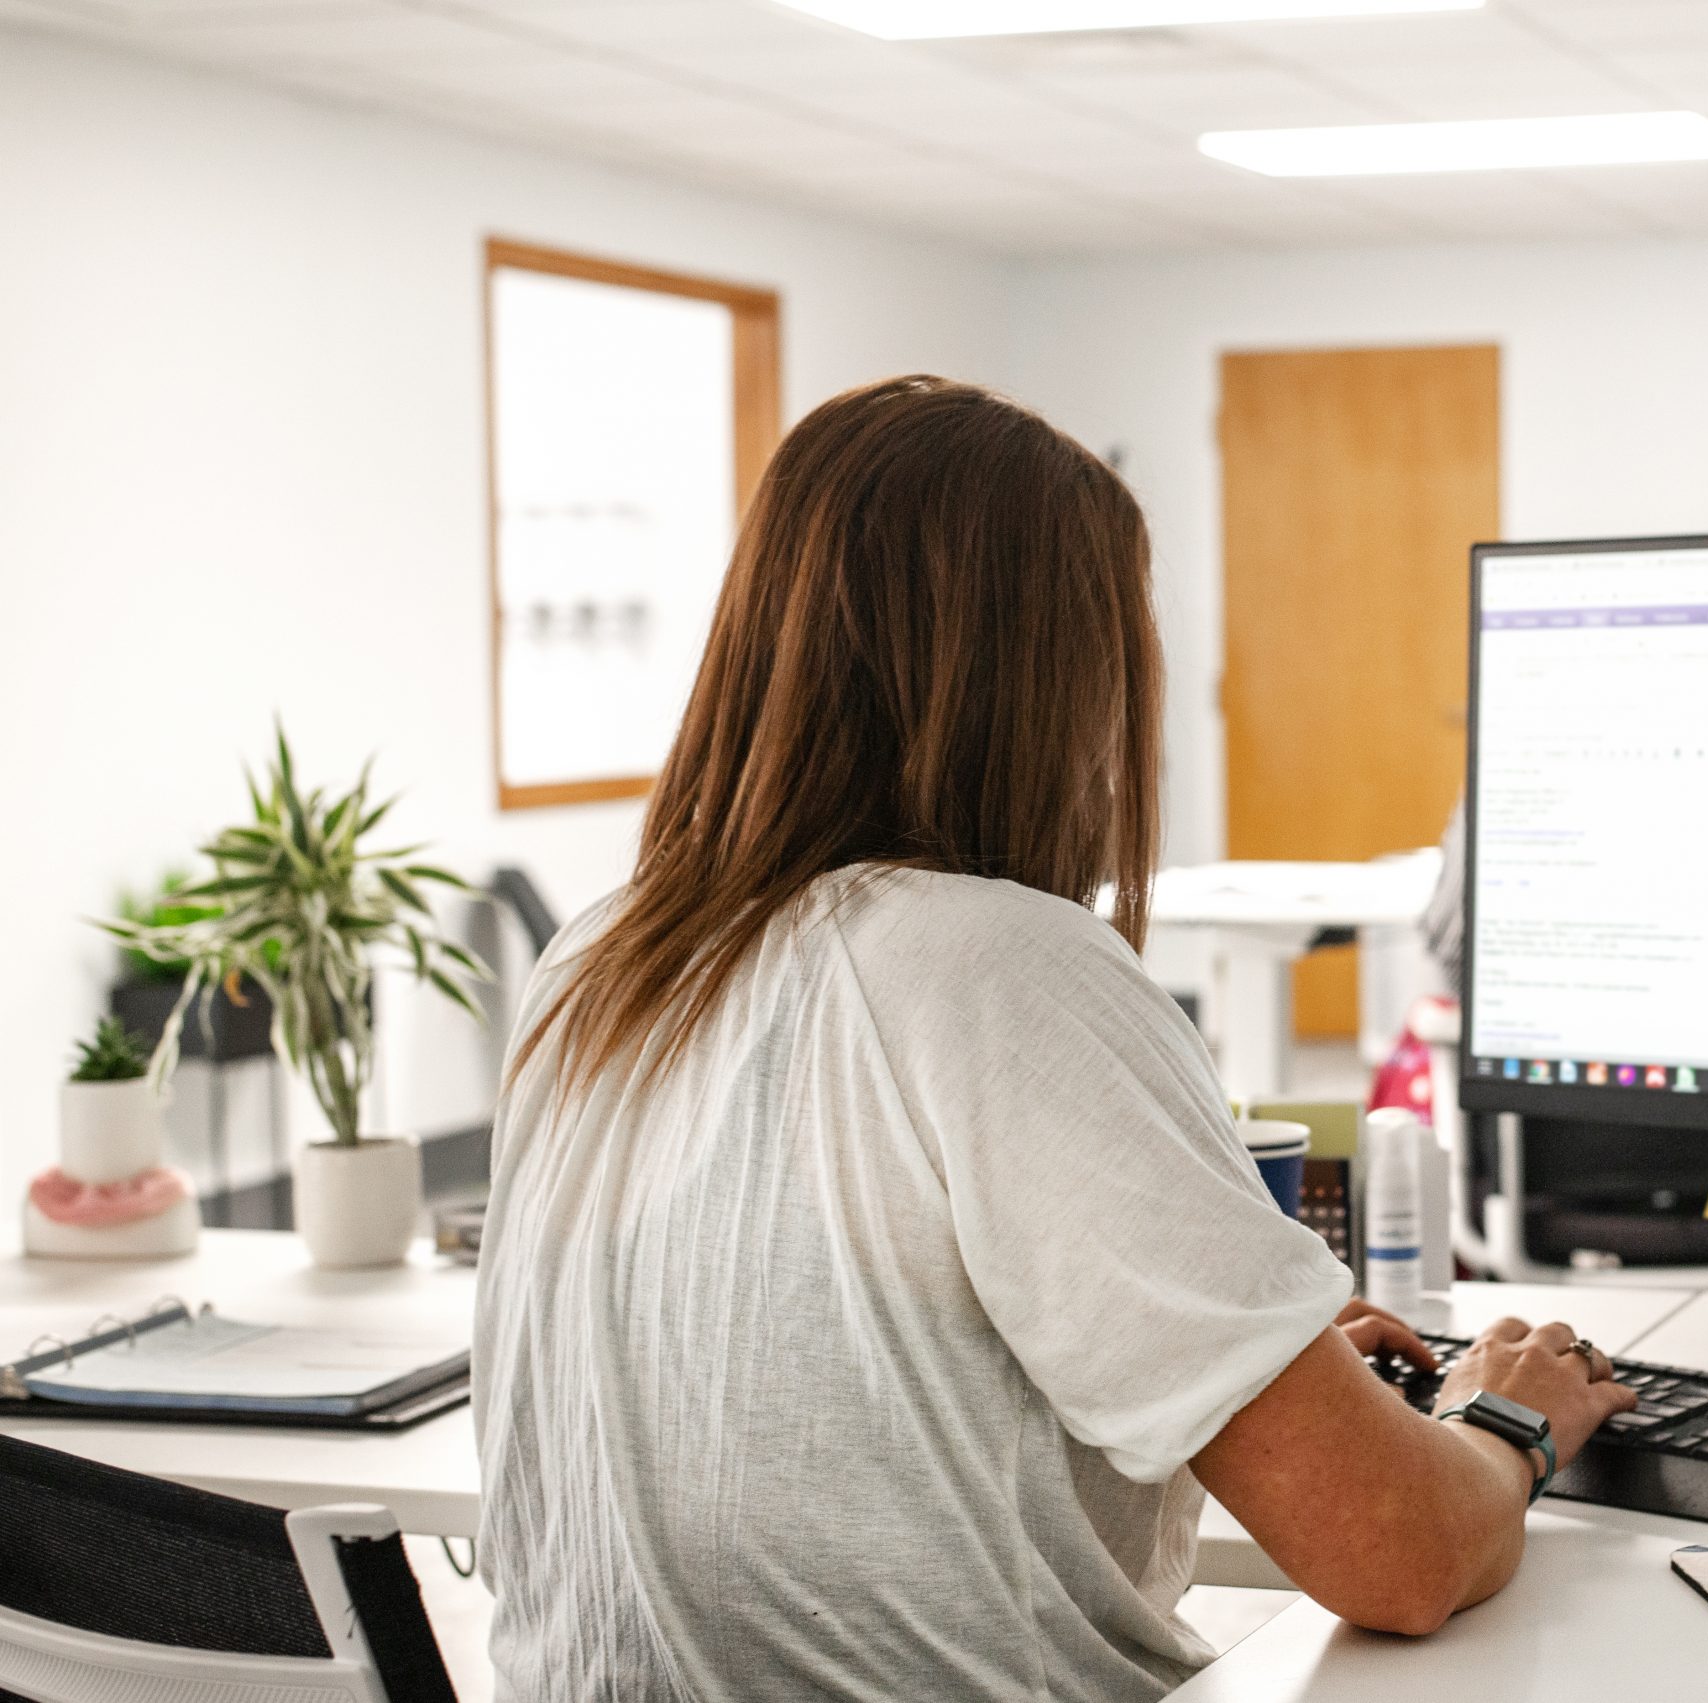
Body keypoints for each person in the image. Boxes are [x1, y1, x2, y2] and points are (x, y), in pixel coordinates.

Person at [473, 375, 1637, 1702]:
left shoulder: (601, 954)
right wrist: (1511, 1418)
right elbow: (1401, 1554)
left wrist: (1254, 1360)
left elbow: (827, 1371)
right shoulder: (1000, 963)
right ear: (1062, 677)